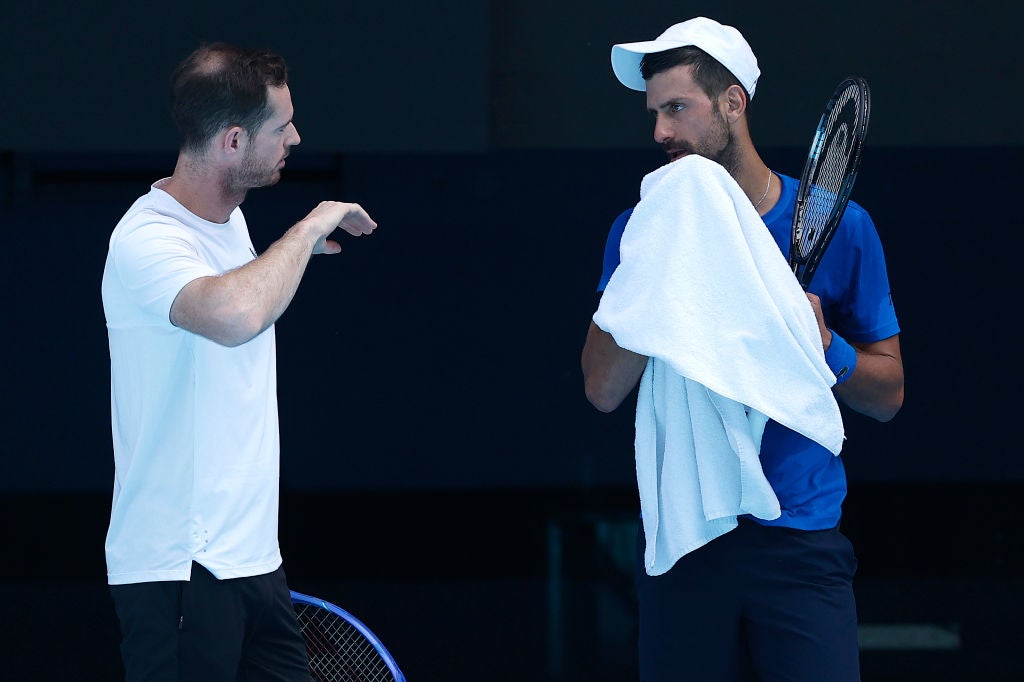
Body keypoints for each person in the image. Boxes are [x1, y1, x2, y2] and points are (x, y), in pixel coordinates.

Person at [581, 17, 904, 682]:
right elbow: (602, 388)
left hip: (802, 547)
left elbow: (889, 396)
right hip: (688, 545)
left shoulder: (845, 228)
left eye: (677, 109)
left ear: (733, 102)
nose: (660, 133)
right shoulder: (639, 231)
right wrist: (658, 272)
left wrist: (828, 347)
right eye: (654, 114)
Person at [101, 42, 377, 681]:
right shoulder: (146, 238)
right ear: (232, 141)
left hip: (254, 566)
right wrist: (307, 232)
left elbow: (247, 292)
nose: (296, 138)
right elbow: (233, 317)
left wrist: (291, 259)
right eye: (281, 128)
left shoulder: (229, 226)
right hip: (179, 572)